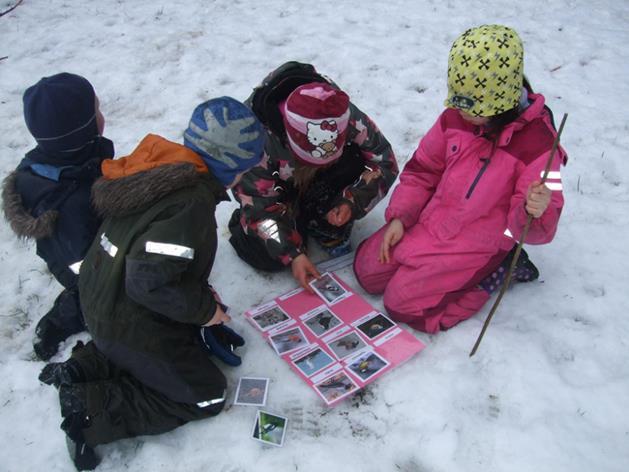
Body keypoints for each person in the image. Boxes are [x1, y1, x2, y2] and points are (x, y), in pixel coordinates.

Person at [37, 97, 265, 470]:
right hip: (124, 317)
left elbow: (155, 263)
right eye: (246, 164)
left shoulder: (166, 167)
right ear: (226, 166)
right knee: (205, 395)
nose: (253, 169)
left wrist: (200, 298)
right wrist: (206, 312)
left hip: (100, 295)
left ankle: (86, 367)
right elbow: (147, 283)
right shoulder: (190, 204)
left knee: (180, 346)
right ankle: (92, 413)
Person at [353, 25, 567, 334]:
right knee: (367, 271)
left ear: (500, 102)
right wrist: (401, 217)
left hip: (479, 242)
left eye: (472, 107)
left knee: (404, 306)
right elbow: (423, 169)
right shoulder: (456, 118)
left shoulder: (541, 148)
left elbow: (540, 226)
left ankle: (499, 272)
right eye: (457, 100)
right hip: (433, 219)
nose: (460, 112)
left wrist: (538, 209)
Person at [228, 62, 398, 291]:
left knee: (353, 161)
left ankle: (320, 218)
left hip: (314, 180)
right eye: (309, 162)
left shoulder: (339, 113)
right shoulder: (255, 142)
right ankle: (248, 224)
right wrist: (292, 254)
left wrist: (351, 200)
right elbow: (260, 210)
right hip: (275, 189)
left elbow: (383, 161)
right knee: (266, 255)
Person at [2, 73, 114, 360]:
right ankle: (61, 323)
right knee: (91, 295)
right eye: (96, 110)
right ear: (83, 128)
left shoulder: (63, 160)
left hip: (73, 244)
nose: (102, 114)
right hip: (80, 261)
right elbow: (84, 264)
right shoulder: (70, 200)